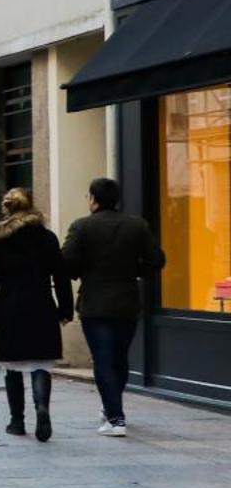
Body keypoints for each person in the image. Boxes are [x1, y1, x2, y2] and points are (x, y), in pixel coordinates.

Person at [61, 177, 165, 437]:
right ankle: (111, 408)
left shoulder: (82, 227)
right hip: (127, 301)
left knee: (103, 359)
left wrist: (82, 271)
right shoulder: (136, 225)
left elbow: (66, 262)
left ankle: (115, 417)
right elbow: (157, 260)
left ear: (93, 199)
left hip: (95, 303)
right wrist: (134, 271)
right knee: (119, 357)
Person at [0, 188, 73, 441]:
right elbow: (61, 276)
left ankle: (17, 421)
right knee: (41, 363)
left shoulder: (0, 239)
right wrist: (65, 309)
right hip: (41, 304)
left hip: (9, 307)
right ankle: (42, 406)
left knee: (13, 367)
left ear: (7, 208)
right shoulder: (47, 237)